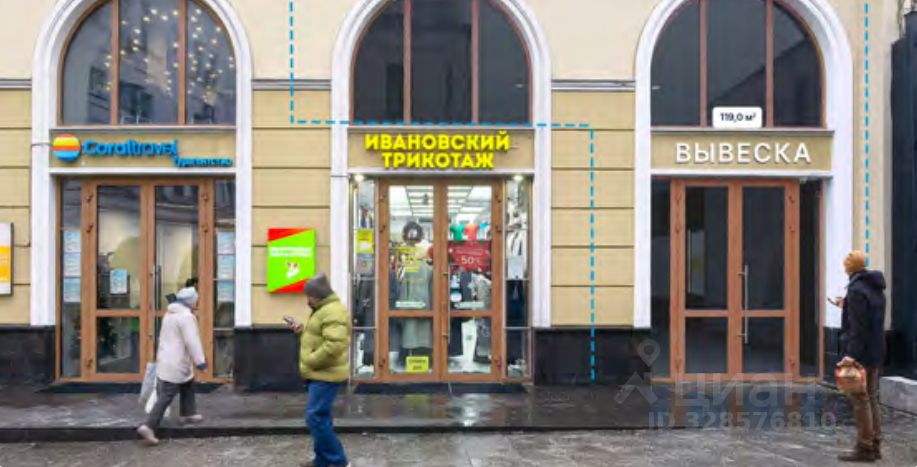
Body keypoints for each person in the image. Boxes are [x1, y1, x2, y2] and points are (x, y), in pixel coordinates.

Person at [287, 272, 352, 467]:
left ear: (317, 295)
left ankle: (338, 461)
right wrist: (302, 330)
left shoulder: (332, 311)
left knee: (315, 417)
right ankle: (322, 461)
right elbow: (320, 337)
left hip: (326, 374)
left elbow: (335, 345)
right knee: (321, 417)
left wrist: (311, 360)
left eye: (309, 296)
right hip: (322, 373)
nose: (307, 300)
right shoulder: (323, 310)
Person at [137, 286, 207, 446]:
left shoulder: (169, 314)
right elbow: (192, 341)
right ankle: (148, 426)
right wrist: (200, 362)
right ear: (191, 301)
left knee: (188, 383)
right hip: (177, 361)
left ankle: (188, 413)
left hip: (166, 359)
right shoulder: (186, 317)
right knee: (166, 395)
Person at [834, 250, 886, 462]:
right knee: (871, 397)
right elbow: (869, 317)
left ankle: (864, 447)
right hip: (876, 349)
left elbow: (859, 327)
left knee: (860, 400)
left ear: (850, 268)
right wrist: (846, 305)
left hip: (861, 353)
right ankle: (875, 443)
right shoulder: (875, 286)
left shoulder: (856, 289)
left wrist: (851, 355)